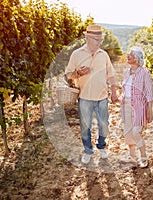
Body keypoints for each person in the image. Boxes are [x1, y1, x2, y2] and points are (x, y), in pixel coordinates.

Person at [65, 24, 119, 164]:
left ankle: (101, 146)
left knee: (104, 125)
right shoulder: (77, 54)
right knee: (85, 126)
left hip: (102, 97)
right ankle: (88, 150)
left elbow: (111, 74)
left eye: (100, 40)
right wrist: (78, 73)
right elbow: (68, 74)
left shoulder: (104, 55)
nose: (99, 42)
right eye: (97, 40)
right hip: (84, 98)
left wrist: (114, 92)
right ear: (88, 38)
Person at [120, 46, 153, 168]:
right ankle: (132, 157)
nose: (128, 56)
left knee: (136, 132)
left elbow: (149, 93)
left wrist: (150, 111)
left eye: (131, 55)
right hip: (126, 105)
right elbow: (124, 89)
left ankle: (144, 157)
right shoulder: (126, 72)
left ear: (138, 58)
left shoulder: (144, 73)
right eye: (128, 54)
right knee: (128, 132)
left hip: (139, 106)